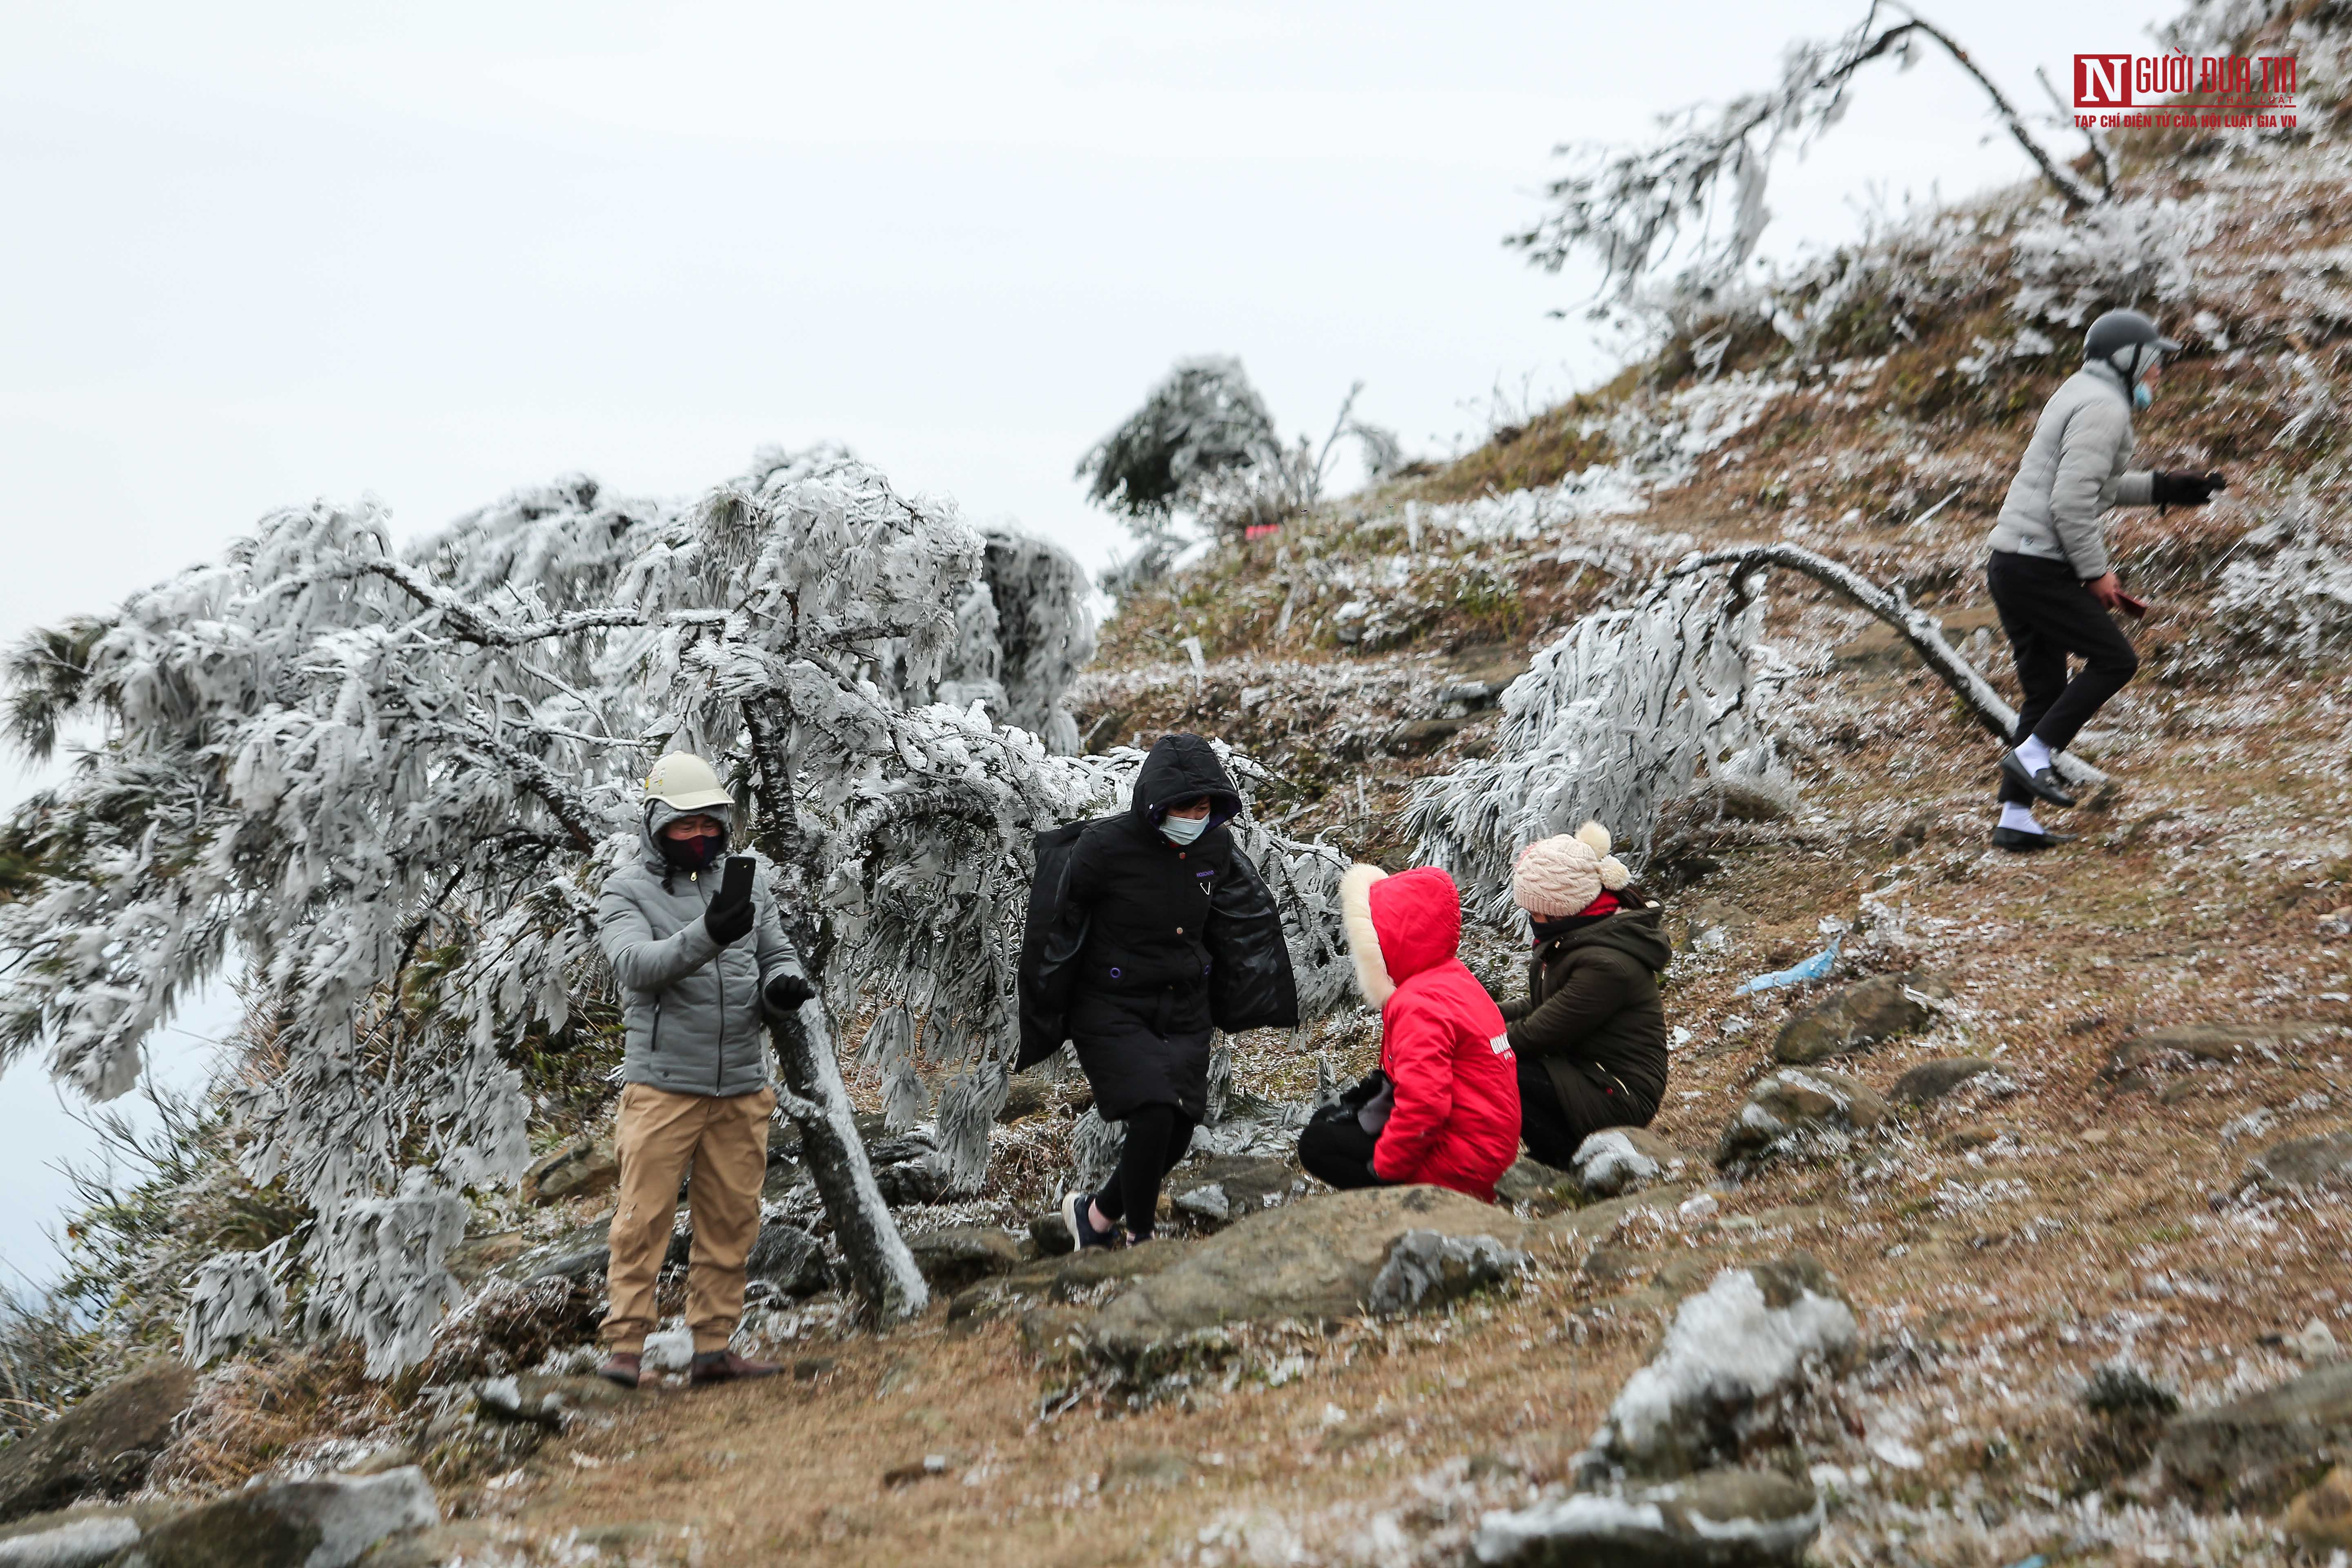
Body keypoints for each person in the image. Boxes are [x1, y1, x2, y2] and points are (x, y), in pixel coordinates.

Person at [1017, 734, 1299, 1248]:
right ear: (1156, 803)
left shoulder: (1214, 845)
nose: (1195, 815)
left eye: (1204, 805)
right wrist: (1048, 1004)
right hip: (1111, 1004)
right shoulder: (1104, 847)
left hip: (1185, 1006)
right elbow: (1056, 924)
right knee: (1151, 1114)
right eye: (1184, 806)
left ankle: (1095, 1219)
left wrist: (1243, 987)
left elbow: (1239, 920)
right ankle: (1141, 1241)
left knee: (1178, 1131)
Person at [594, 753, 815, 1388]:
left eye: (710, 824)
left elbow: (775, 950)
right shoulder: (625, 890)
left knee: (731, 1222)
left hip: (742, 1083)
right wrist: (710, 934)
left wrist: (782, 986)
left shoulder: (750, 882)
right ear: (657, 827)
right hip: (663, 1086)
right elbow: (636, 965)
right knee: (642, 1221)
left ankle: (714, 1350)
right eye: (684, 827)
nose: (699, 837)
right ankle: (625, 1352)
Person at [1984, 308, 2227, 851]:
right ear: (2130, 360)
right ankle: (2031, 758)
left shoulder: (2081, 393)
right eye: (2155, 361)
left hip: (2012, 562)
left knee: (2045, 690)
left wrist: (2166, 487)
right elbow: (2071, 503)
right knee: (2117, 660)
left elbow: (2094, 485)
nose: (2160, 371)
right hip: (2038, 564)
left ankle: (2015, 820)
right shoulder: (2104, 407)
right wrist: (2097, 574)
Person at [1296, 863, 1521, 1203]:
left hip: (1461, 1160)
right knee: (1330, 1120)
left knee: (1317, 1145)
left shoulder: (1418, 1003)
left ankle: (1400, 1206)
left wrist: (1384, 1169)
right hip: (1487, 1143)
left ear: (1388, 940)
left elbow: (1425, 1106)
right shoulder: (1451, 978)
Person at [1499, 823, 1670, 1169]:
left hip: (1618, 1092)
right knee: (1501, 1062)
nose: (1532, 921)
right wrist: (1479, 1012)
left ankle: (1560, 1159)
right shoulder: (1577, 937)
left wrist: (1472, 1042)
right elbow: (1545, 1004)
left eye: (1535, 912)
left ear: (1563, 907)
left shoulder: (1606, 964)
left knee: (1500, 1068)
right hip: (1586, 1071)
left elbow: (1536, 1033)